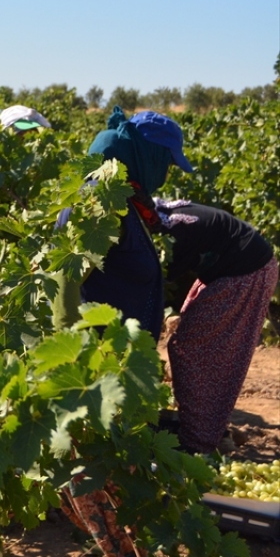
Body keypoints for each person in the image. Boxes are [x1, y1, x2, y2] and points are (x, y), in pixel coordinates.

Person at [51, 107, 194, 557]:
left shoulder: (124, 198)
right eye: (165, 162)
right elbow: (66, 287)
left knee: (118, 478)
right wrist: (77, 370)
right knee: (101, 480)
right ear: (144, 155)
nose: (167, 173)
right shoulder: (96, 202)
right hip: (97, 372)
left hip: (123, 369)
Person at [53, 108, 194, 340]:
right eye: (168, 166)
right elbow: (66, 279)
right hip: (98, 359)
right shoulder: (104, 201)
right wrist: (71, 353)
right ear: (151, 157)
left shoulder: (124, 198)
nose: (166, 176)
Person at [154, 199, 277, 454]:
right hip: (227, 268)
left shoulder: (164, 236)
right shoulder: (157, 218)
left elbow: (149, 287)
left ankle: (201, 440)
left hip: (245, 272)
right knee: (193, 347)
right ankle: (208, 430)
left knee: (192, 350)